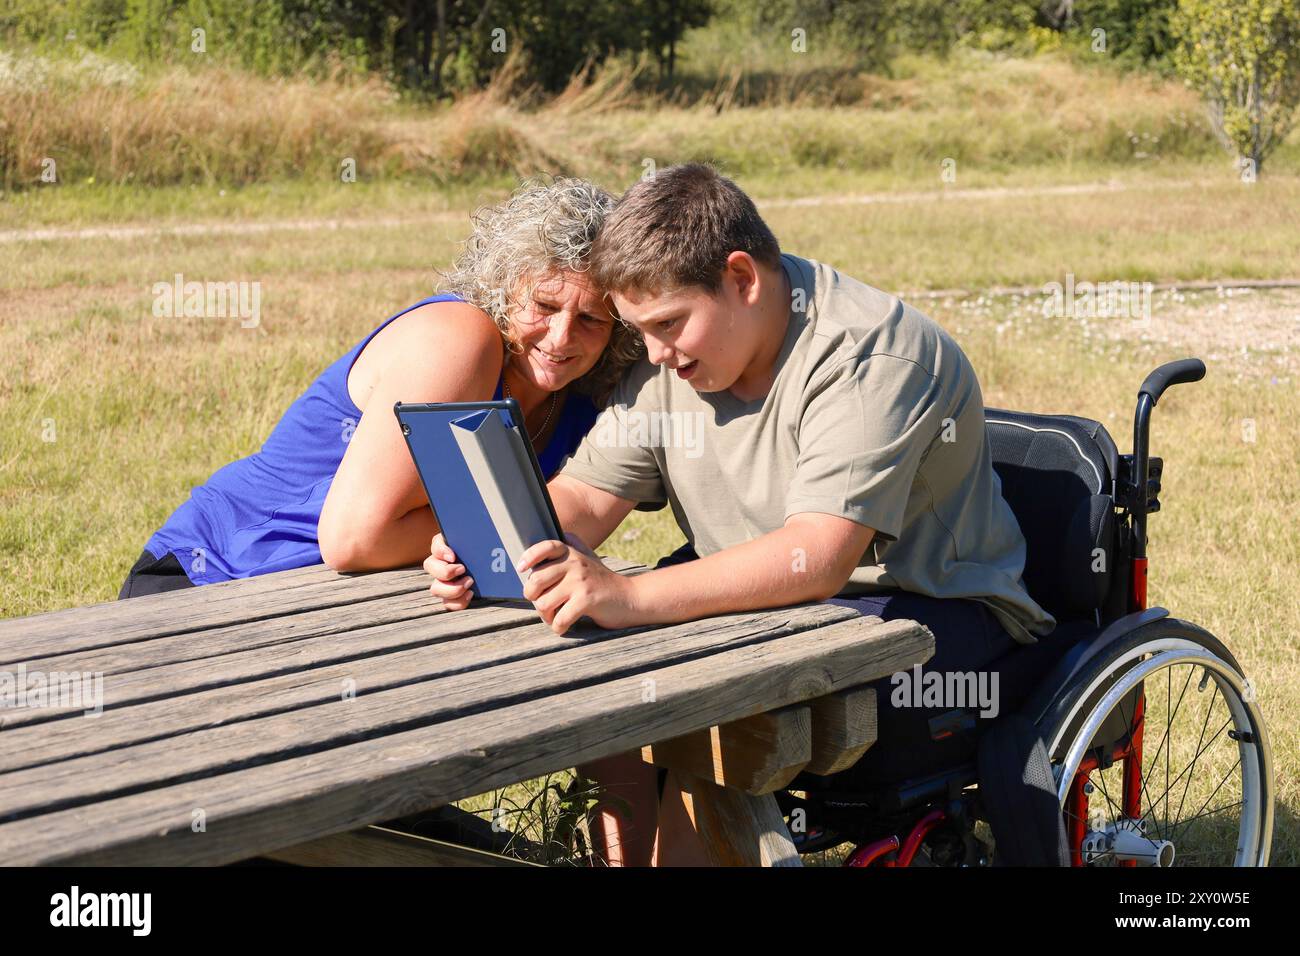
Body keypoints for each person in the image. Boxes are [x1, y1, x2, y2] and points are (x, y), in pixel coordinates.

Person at [424, 162, 1054, 865]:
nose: (655, 356)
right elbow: (587, 498)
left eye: (668, 326)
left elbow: (818, 557)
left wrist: (629, 594)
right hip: (771, 599)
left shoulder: (871, 356)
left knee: (707, 704)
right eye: (639, 329)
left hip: (923, 609)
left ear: (742, 279)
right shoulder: (676, 358)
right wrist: (498, 549)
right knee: (594, 662)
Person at [118, 178, 642, 599]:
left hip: (346, 606)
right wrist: (499, 529)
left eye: (592, 319)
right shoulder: (461, 338)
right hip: (216, 579)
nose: (561, 337)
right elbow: (353, 540)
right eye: (544, 307)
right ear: (504, 289)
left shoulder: (582, 401)